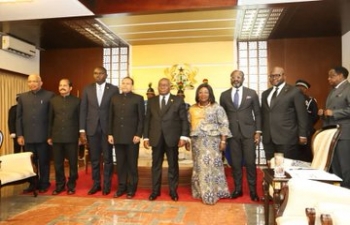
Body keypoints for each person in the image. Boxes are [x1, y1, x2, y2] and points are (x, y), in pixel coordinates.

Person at [143, 78, 189, 201]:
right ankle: (155, 191)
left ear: (170, 87)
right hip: (156, 138)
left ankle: (173, 191)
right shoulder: (152, 101)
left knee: (173, 166)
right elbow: (147, 120)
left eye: (165, 85)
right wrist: (146, 136)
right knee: (156, 165)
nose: (162, 87)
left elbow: (184, 120)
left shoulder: (178, 100)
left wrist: (184, 137)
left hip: (172, 138)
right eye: (160, 85)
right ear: (158, 87)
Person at [220, 70, 261, 202]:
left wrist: (258, 132)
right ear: (230, 78)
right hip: (232, 135)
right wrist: (223, 135)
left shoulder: (251, 93)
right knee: (235, 163)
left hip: (249, 133)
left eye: (239, 77)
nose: (236, 79)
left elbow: (258, 114)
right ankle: (237, 189)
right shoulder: (224, 95)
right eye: (234, 77)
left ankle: (253, 191)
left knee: (250, 162)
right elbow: (222, 116)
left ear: (243, 79)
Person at [188, 83, 231, 205]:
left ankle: (212, 193)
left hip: (213, 142)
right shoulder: (192, 108)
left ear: (210, 94)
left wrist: (223, 140)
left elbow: (224, 124)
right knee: (199, 167)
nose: (203, 94)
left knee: (212, 167)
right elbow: (188, 124)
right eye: (200, 92)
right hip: (197, 142)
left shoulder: (217, 108)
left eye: (206, 92)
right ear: (197, 94)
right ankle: (199, 191)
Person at [79, 66, 119, 195]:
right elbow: (83, 110)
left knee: (107, 159)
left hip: (107, 129)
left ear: (106, 75)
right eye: (95, 73)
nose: (98, 75)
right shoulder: (87, 89)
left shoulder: (113, 89)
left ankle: (107, 185)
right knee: (95, 159)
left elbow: (115, 111)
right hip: (92, 129)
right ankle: (96, 184)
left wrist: (114, 130)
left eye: (101, 73)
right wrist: (82, 130)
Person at [16, 74, 55, 193]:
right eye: (30, 81)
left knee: (43, 161)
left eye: (35, 81)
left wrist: (50, 135)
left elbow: (51, 117)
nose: (32, 84)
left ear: (41, 83)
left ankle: (44, 183)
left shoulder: (49, 95)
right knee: (30, 162)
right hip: (27, 136)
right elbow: (19, 117)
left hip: (43, 136)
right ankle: (33, 183)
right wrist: (20, 135)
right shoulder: (22, 97)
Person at [261, 66, 308, 162]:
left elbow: (302, 114)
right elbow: (264, 114)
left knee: (286, 168)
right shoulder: (265, 94)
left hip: (287, 138)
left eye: (277, 75)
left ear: (284, 76)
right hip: (268, 138)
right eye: (271, 76)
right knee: (270, 166)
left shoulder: (294, 91)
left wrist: (302, 134)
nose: (274, 78)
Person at [108, 77, 145, 199]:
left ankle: (131, 188)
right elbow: (110, 117)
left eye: (128, 83)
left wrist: (138, 134)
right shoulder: (114, 98)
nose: (125, 85)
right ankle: (121, 187)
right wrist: (110, 133)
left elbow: (141, 119)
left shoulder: (138, 98)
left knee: (131, 164)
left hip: (132, 137)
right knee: (120, 164)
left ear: (132, 86)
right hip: (117, 136)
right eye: (123, 83)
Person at [318, 66, 350, 188]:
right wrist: (324, 113)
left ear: (341, 75)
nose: (328, 78)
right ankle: (338, 193)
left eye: (332, 76)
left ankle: (347, 194)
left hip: (344, 134)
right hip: (333, 133)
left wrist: (334, 113)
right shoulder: (333, 90)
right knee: (334, 166)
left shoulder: (348, 88)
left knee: (345, 166)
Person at [48, 79, 80, 195]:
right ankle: (60, 185)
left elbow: (79, 120)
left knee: (72, 163)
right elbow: (50, 120)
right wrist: (49, 136)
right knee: (58, 163)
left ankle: (71, 185)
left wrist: (80, 135)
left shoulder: (77, 101)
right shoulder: (53, 101)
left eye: (65, 85)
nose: (62, 87)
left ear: (70, 88)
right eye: (60, 85)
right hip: (56, 137)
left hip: (71, 137)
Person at [295, 79, 319, 162]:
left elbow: (315, 116)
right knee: (292, 155)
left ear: (306, 89)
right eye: (298, 87)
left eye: (302, 87)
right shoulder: (289, 99)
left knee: (306, 155)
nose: (300, 89)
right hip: (291, 131)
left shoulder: (311, 100)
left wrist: (307, 126)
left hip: (306, 132)